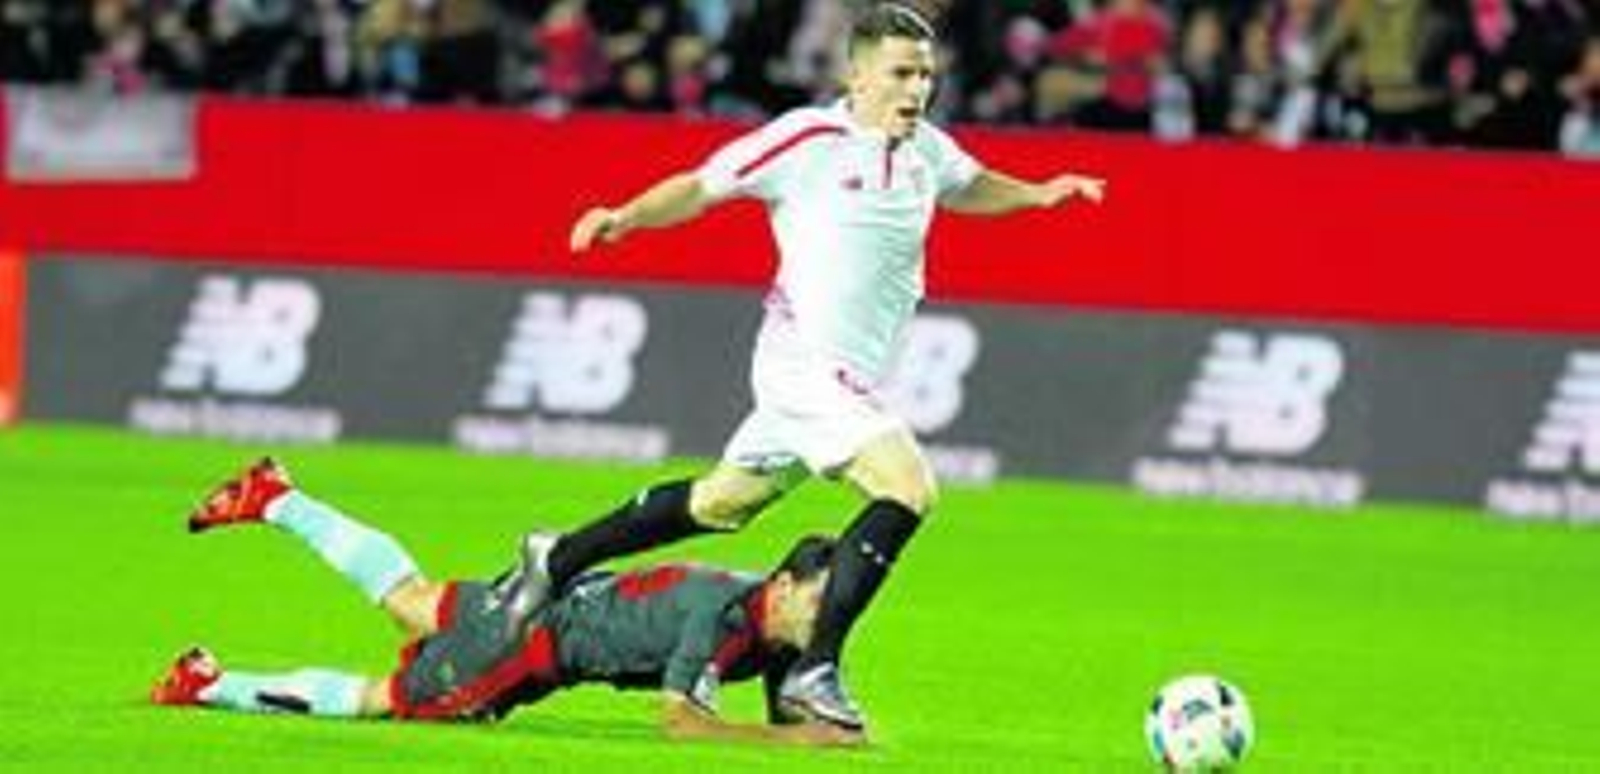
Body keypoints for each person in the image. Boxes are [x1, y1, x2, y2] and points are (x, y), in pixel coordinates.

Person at [514, 1, 1108, 732]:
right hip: (805, 367)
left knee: (723, 503)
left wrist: (1040, 193)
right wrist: (625, 216)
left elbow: (971, 184)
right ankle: (815, 668)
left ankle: (556, 558)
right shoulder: (808, 140)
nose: (917, 89)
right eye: (901, 73)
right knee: (908, 486)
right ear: (857, 76)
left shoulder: (927, 150)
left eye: (925, 75)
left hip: (844, 379)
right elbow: (703, 185)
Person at [149, 458, 862, 747]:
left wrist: (827, 733)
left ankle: (278, 497)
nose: (829, 618)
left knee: (410, 599)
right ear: (784, 586)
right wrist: (794, 742)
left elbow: (795, 710)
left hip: (543, 599)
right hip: (522, 648)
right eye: (822, 601)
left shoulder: (771, 625)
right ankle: (209, 684)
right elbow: (681, 721)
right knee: (384, 700)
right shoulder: (723, 618)